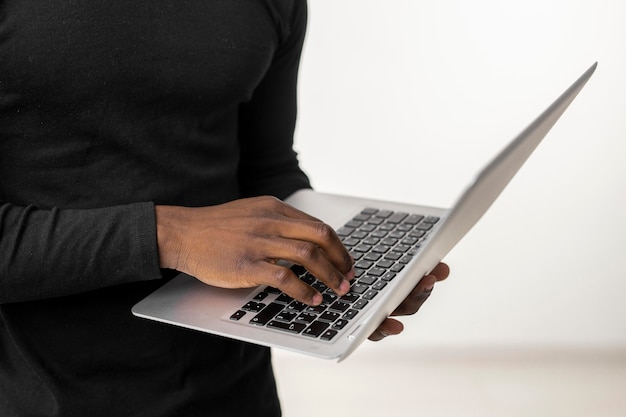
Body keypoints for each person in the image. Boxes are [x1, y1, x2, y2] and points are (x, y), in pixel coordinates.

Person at [0, 1, 449, 415]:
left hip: (236, 386)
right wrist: (168, 234)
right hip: (46, 394)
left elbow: (267, 168)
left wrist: (347, 269)